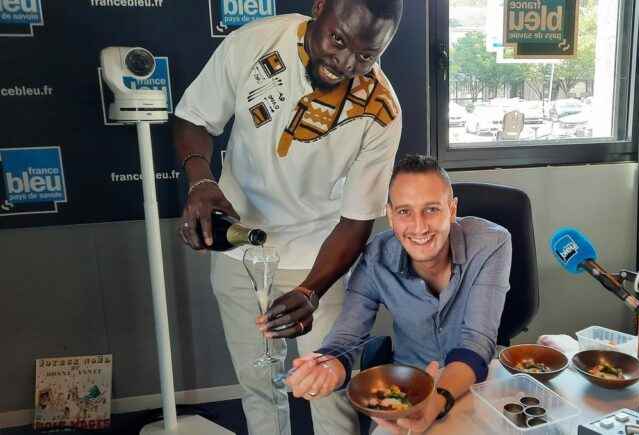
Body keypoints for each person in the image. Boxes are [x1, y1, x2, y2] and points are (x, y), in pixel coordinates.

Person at [173, 1, 404, 434]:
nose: (345, 62)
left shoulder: (381, 113)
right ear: (319, 8)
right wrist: (201, 183)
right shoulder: (256, 43)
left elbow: (356, 221)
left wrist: (312, 291)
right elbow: (193, 118)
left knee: (328, 387)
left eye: (366, 55)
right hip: (240, 246)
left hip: (319, 253)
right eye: (338, 40)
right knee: (258, 384)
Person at [286, 155, 513, 434]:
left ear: (452, 210)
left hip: (477, 377)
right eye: (405, 211)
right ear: (391, 215)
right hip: (409, 388)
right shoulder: (374, 258)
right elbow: (347, 337)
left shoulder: (492, 242)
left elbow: (476, 341)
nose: (419, 226)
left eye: (431, 209)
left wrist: (438, 399)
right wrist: (328, 366)